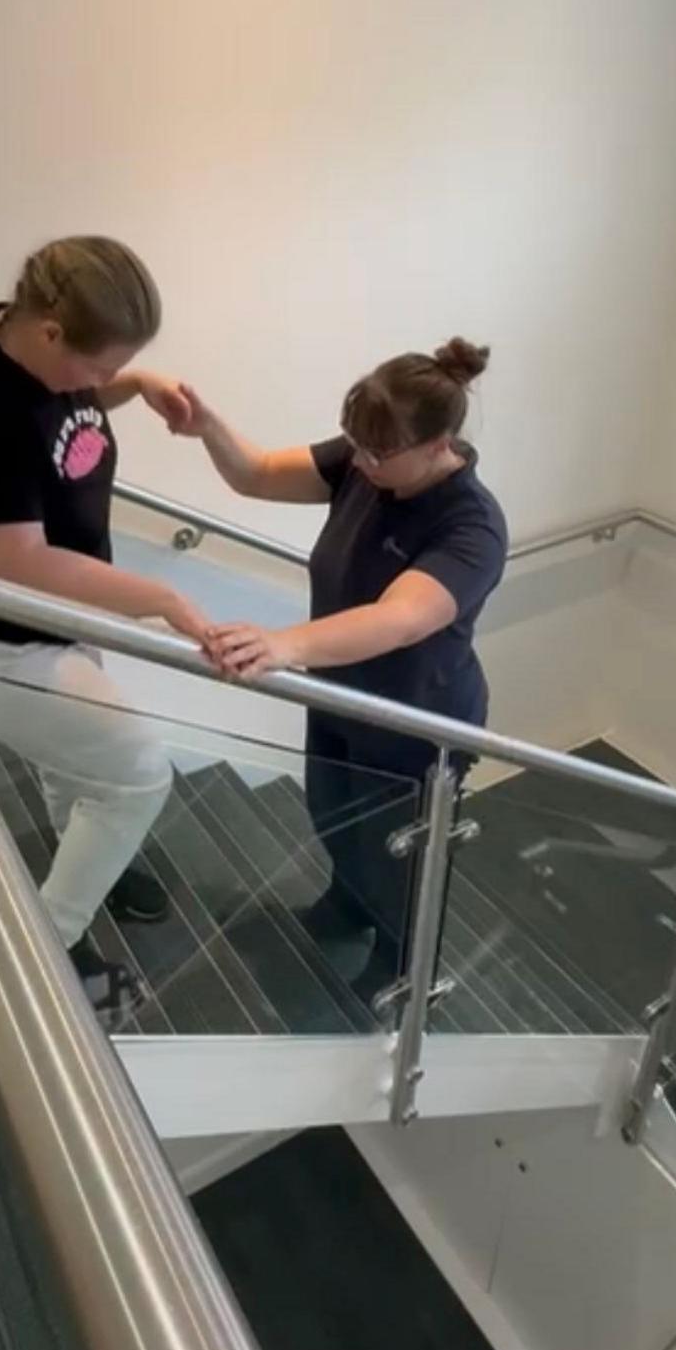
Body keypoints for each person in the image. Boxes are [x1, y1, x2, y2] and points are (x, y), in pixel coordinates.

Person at [0, 236, 211, 1021]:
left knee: (72, 761)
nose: (101, 385)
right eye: (103, 367)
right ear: (50, 333)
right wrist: (160, 598)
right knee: (141, 772)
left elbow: (61, 408)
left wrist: (133, 383)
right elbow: (17, 561)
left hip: (50, 623)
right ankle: (49, 946)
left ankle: (86, 860)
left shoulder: (34, 362)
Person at [177, 339, 508, 983]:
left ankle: (399, 966)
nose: (359, 463)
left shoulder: (473, 526)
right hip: (340, 696)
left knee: (398, 859)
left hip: (416, 724)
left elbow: (399, 618)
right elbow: (258, 474)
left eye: (377, 455)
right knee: (333, 813)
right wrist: (207, 426)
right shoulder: (367, 460)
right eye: (353, 445)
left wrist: (282, 644)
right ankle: (346, 905)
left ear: (439, 443)